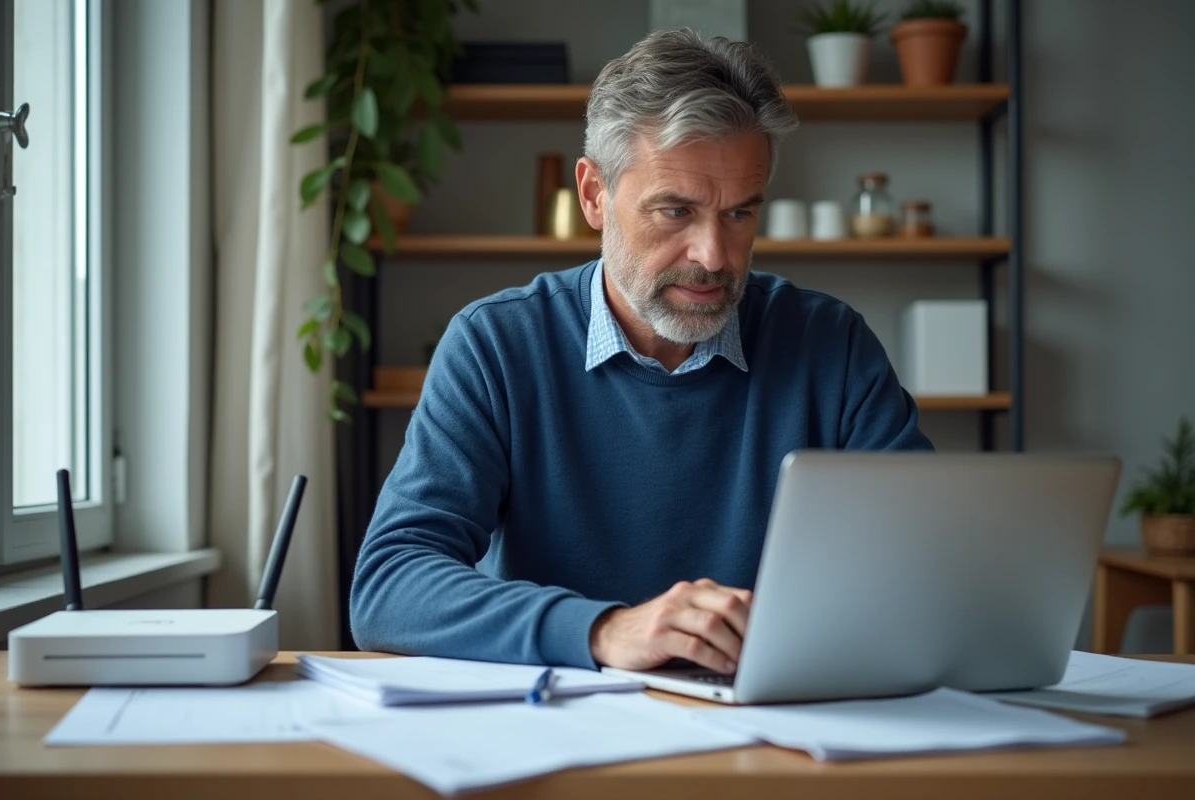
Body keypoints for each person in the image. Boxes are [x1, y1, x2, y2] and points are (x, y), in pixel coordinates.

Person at [351, 29, 933, 676]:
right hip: (559, 734)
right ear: (595, 195)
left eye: (740, 214)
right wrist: (603, 630)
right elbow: (389, 589)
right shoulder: (496, 346)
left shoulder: (833, 345)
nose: (713, 256)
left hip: (773, 733)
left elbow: (927, 571)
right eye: (675, 211)